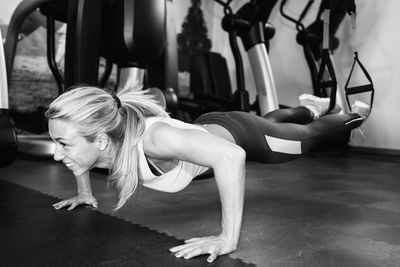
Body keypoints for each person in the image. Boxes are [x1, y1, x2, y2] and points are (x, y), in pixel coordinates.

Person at [45, 84, 370, 263]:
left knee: (308, 136)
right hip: (214, 125)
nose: (58, 153)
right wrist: (84, 193)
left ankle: (353, 112)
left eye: (62, 143)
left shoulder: (156, 141)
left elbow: (231, 156)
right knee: (270, 121)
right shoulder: (103, 138)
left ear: (100, 139)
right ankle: (311, 104)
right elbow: (81, 156)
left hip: (246, 137)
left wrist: (227, 238)